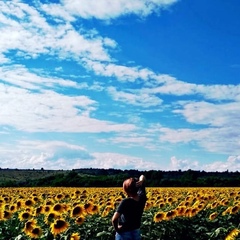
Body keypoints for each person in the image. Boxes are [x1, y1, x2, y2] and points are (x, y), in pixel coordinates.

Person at [112, 175, 147, 240]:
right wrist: (141, 181)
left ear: (127, 190)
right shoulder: (142, 197)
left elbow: (114, 218)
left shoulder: (125, 202)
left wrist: (117, 229)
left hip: (124, 233)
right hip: (136, 231)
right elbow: (142, 176)